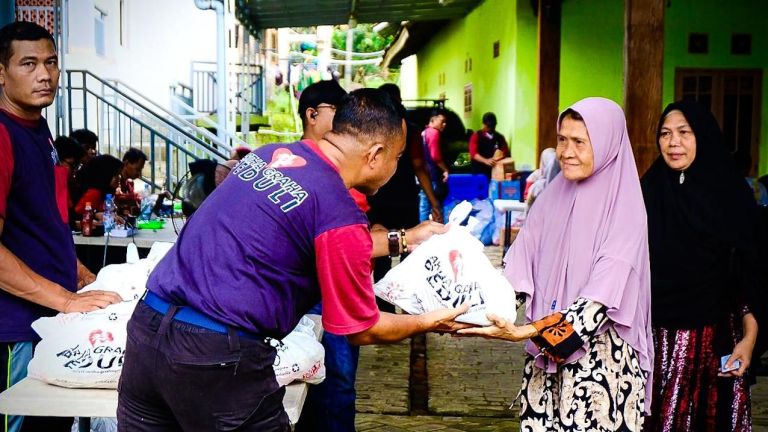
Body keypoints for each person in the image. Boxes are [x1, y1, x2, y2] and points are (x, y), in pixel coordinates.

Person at [117, 88, 469, 431]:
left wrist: (404, 238)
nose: (395, 166)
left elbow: (307, 234)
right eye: (397, 158)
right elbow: (362, 329)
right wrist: (431, 320)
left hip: (147, 333)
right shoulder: (338, 210)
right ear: (376, 154)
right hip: (215, 358)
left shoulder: (269, 156)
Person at [459, 97, 653, 431]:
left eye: (579, 142)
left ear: (607, 145)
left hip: (600, 373)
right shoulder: (551, 198)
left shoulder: (627, 212)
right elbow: (518, 271)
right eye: (562, 139)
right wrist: (469, 311)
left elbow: (598, 304)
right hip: (543, 366)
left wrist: (524, 331)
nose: (566, 151)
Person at [0, 21, 121, 432]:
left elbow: (39, 221)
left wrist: (78, 274)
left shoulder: (38, 129)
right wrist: (65, 300)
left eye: (51, 63)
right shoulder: (2, 134)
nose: (45, 74)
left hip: (49, 319)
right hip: (16, 329)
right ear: (1, 72)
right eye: (29, 63)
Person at [641, 100, 763, 431]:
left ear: (703, 136)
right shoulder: (648, 193)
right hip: (656, 344)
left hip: (717, 344)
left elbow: (749, 279)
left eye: (684, 132)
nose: (673, 142)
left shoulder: (731, 199)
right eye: (665, 134)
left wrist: (749, 340)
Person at [72, 154, 123, 222]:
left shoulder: (104, 191)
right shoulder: (94, 192)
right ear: (106, 174)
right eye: (116, 174)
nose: (119, 178)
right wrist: (96, 215)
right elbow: (77, 215)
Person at [419, 110, 450, 221]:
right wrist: (445, 170)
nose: (444, 124)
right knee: (435, 204)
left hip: (424, 175)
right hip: (433, 175)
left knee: (424, 205)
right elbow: (435, 156)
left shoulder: (424, 132)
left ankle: (422, 228)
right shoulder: (434, 133)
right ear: (433, 120)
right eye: (442, 121)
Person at [468, 112, 509, 178]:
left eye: (493, 126)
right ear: (483, 124)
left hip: (494, 173)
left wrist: (497, 158)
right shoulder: (476, 136)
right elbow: (473, 153)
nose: (490, 129)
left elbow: (505, 152)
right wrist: (485, 160)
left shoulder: (500, 137)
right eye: (488, 126)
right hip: (478, 173)